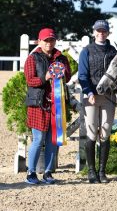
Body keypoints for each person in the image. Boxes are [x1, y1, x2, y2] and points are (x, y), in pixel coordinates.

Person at [78, 19, 117, 183]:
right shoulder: (87, 51)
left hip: (108, 96)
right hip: (91, 97)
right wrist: (88, 92)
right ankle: (91, 171)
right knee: (92, 132)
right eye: (98, 31)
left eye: (104, 31)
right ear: (94, 32)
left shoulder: (113, 51)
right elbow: (82, 75)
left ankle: (102, 172)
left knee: (105, 133)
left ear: (108, 33)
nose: (101, 33)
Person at [24, 28, 72, 185]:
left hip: (56, 105)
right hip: (38, 104)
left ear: (55, 41)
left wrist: (63, 74)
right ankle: (31, 172)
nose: (49, 43)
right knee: (38, 140)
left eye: (51, 40)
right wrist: (45, 77)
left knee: (53, 140)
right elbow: (30, 80)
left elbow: (69, 76)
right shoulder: (32, 59)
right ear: (39, 42)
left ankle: (48, 172)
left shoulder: (62, 58)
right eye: (45, 40)